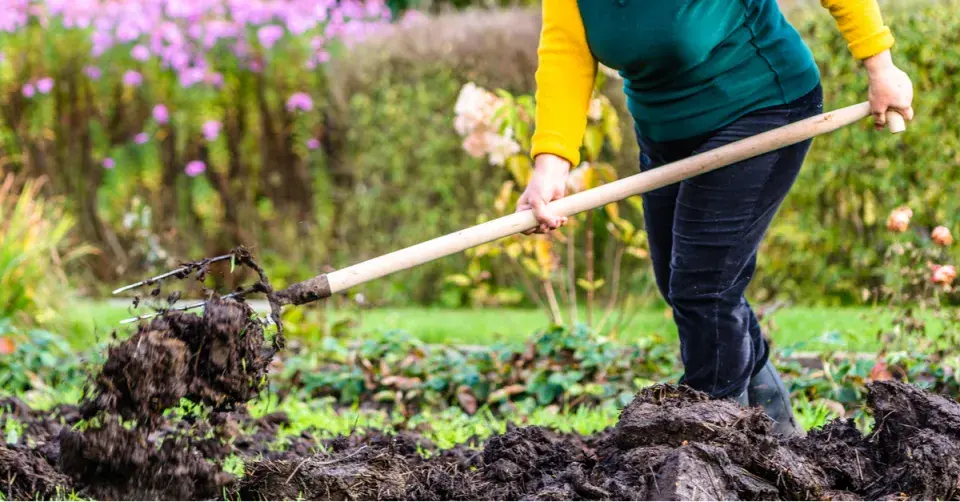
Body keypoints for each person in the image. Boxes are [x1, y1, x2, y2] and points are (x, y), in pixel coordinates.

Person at [517, 0, 914, 436]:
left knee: (704, 288)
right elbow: (566, 55)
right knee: (684, 286)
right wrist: (550, 166)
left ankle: (714, 439)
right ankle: (776, 432)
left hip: (760, 106)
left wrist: (881, 66)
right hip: (665, 130)